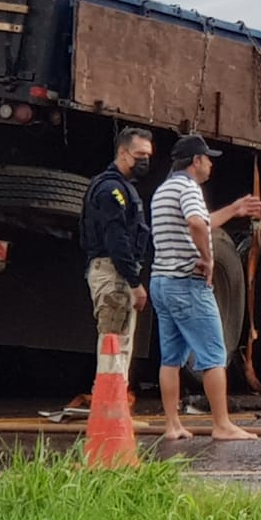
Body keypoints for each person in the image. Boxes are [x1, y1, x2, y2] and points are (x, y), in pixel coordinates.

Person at [149, 134, 261, 441]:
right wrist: (208, 258)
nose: (211, 164)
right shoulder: (189, 187)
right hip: (188, 283)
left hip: (161, 282)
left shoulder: (164, 190)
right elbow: (197, 224)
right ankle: (222, 425)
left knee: (170, 358)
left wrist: (235, 209)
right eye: (207, 158)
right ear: (195, 161)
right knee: (214, 354)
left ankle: (172, 425)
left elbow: (204, 221)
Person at [79, 127, 154, 365]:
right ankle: (109, 401)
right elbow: (116, 238)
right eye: (140, 154)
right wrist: (134, 281)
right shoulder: (112, 190)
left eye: (148, 155)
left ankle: (114, 398)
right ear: (123, 153)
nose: (145, 161)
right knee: (115, 345)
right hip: (114, 272)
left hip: (114, 271)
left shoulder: (119, 187)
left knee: (118, 344)